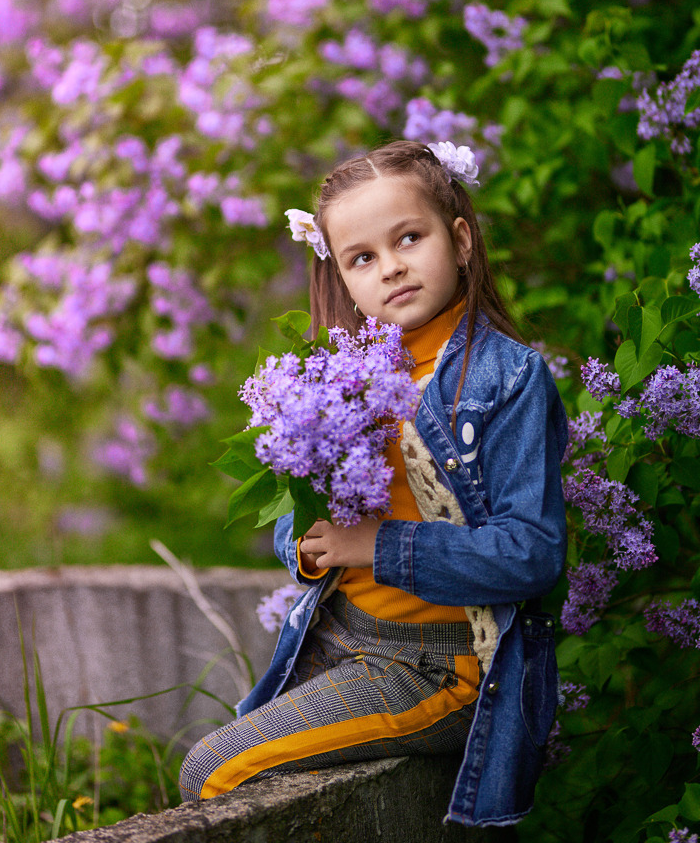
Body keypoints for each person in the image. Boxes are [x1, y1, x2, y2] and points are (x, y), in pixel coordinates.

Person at [179, 139, 568, 828]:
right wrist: (306, 547)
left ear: (460, 239)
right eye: (363, 257)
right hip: (335, 634)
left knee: (212, 772)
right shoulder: (339, 378)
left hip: (442, 666)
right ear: (342, 276)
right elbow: (299, 521)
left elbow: (531, 554)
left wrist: (378, 547)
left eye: (409, 239)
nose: (391, 268)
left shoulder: (506, 379)